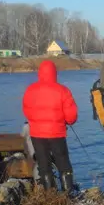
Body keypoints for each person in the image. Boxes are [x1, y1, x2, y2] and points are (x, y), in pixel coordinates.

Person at [21, 60, 78, 192]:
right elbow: (71, 116)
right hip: (57, 134)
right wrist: (67, 121)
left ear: (40, 73)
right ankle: (68, 194)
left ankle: (50, 195)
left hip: (37, 134)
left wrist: (36, 122)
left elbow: (26, 111)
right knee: (63, 165)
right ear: (54, 73)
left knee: (44, 165)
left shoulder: (30, 90)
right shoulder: (63, 90)